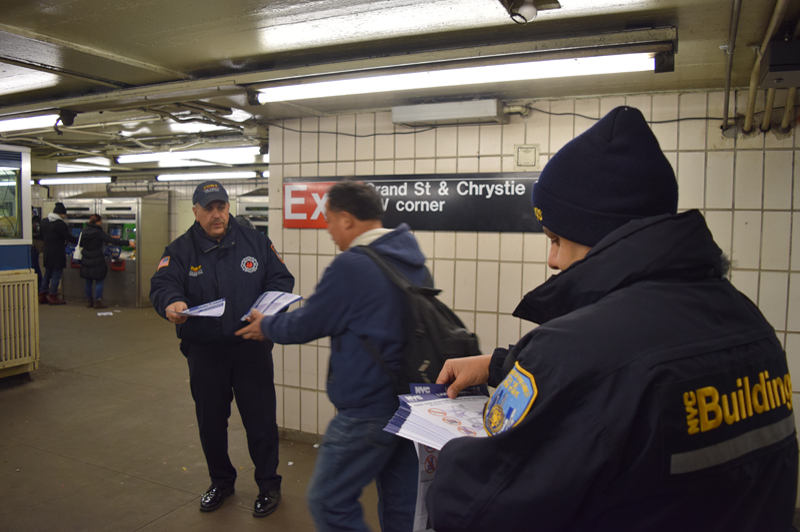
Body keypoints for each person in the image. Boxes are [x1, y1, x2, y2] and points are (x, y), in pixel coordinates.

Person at [426, 106, 798, 532]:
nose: (552, 260)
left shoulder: (576, 348)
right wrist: (500, 365)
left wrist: (456, 448)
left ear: (598, 233)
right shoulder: (751, 325)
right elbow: (631, 388)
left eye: (556, 240)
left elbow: (476, 512)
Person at [236, 180, 427, 532]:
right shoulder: (409, 257)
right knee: (402, 504)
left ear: (347, 219)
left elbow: (308, 322)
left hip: (366, 409)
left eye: (329, 220)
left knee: (328, 500)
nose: (328, 229)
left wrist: (268, 326)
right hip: (408, 403)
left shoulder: (353, 266)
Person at [149, 180, 294, 518]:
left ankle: (269, 485)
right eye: (209, 208)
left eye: (222, 207)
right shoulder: (180, 249)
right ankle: (221, 481)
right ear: (196, 211)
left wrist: (269, 311)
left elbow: (280, 279)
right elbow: (163, 284)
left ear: (229, 207)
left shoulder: (255, 242)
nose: (217, 214)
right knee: (211, 422)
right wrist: (172, 302)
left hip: (251, 347)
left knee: (261, 420)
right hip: (205, 352)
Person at [79, 214, 135, 308]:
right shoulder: (98, 232)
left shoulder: (84, 231)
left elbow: (81, 244)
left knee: (88, 280)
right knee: (99, 280)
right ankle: (98, 301)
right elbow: (113, 240)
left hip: (86, 258)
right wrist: (128, 242)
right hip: (97, 259)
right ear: (98, 222)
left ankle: (89, 301)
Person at [40, 202, 78, 305]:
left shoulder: (44, 222)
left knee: (47, 273)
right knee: (56, 274)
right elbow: (69, 237)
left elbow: (41, 236)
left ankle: (42, 295)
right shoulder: (61, 224)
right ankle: (53, 296)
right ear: (61, 214)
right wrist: (81, 240)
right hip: (57, 253)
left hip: (47, 251)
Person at [31, 213, 43, 294]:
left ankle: (39, 288)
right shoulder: (35, 221)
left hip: (33, 247)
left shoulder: (35, 221)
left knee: (34, 267)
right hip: (33, 247)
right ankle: (39, 288)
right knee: (35, 267)